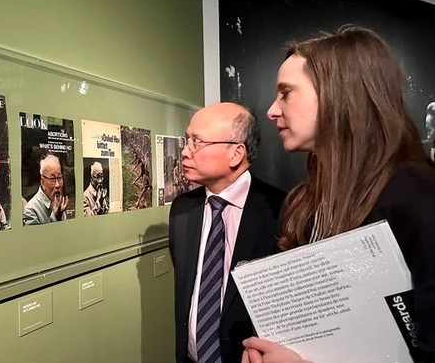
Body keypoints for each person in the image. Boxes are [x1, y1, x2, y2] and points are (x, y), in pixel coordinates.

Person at [242, 27, 435, 363]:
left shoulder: (417, 196)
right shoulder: (304, 202)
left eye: (286, 93)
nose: (272, 110)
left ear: (338, 93)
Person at [168, 102, 286, 362]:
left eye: (197, 142)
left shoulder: (283, 211)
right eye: (186, 140)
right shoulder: (181, 210)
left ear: (236, 153)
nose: (185, 152)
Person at [22, 154, 68, 225]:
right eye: (52, 179)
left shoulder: (59, 202)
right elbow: (37, 236)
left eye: (59, 178)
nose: (57, 185)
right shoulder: (31, 210)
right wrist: (55, 217)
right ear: (43, 182)